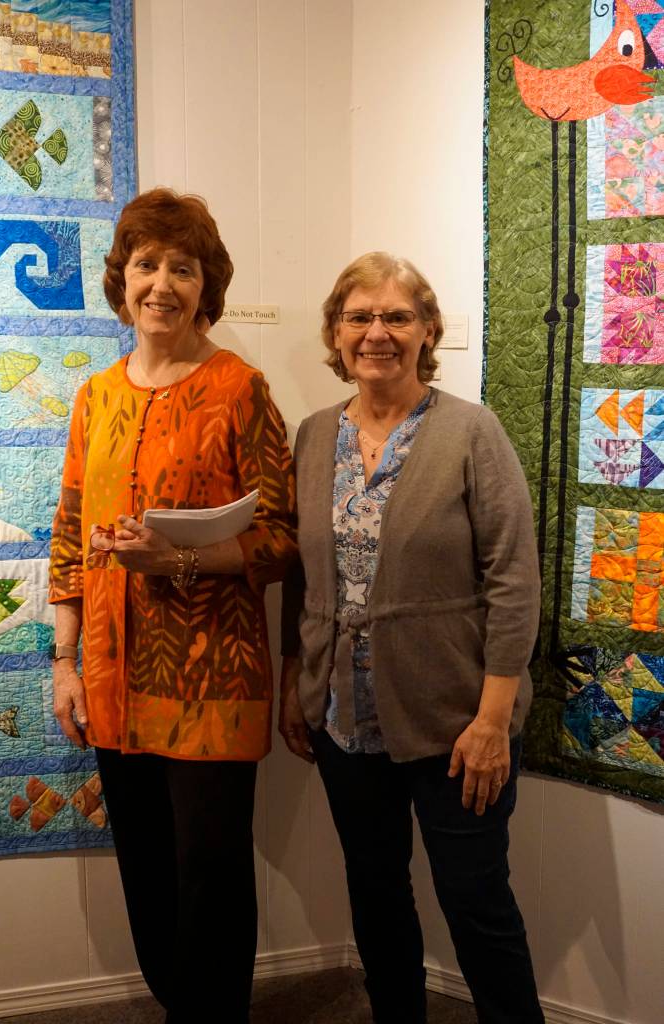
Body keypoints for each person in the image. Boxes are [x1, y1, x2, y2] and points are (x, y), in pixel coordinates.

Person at [49, 188, 297, 1024]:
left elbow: (282, 538)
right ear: (122, 281)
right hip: (112, 677)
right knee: (146, 869)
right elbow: (70, 534)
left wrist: (179, 558)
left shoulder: (240, 390)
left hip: (212, 679)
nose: (162, 284)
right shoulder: (95, 396)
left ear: (205, 287)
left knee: (210, 874)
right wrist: (64, 663)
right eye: (147, 265)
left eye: (182, 269)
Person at [279, 251, 544, 1024]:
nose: (377, 333)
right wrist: (297, 682)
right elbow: (302, 574)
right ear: (336, 332)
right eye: (359, 317)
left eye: (396, 316)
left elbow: (513, 581)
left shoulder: (470, 431)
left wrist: (493, 720)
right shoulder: (313, 435)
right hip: (343, 720)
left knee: (475, 901)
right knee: (375, 892)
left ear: (426, 330)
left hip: (455, 721)